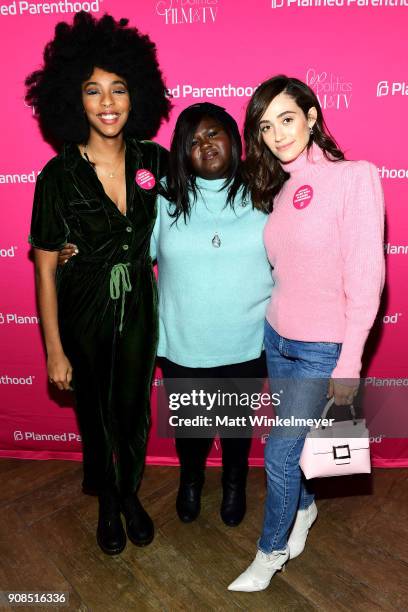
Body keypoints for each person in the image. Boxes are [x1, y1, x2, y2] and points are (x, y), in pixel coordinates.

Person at [60, 102, 273, 527]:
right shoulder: (163, 204)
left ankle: (234, 483)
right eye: (193, 140)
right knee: (192, 431)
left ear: (235, 138)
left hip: (248, 341)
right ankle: (190, 481)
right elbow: (128, 253)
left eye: (213, 133)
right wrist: (78, 253)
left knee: (235, 427)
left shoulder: (265, 198)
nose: (205, 145)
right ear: (181, 153)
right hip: (183, 343)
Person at [228, 75, 385, 592]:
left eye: (287, 119)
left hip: (323, 348)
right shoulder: (278, 189)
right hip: (277, 336)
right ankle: (305, 509)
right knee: (292, 449)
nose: (276, 134)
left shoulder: (354, 177)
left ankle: (269, 555)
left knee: (278, 452)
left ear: (312, 116)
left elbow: (366, 279)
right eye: (265, 126)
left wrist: (350, 362)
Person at [26, 11, 170, 556]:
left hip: (139, 298)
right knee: (95, 412)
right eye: (93, 90)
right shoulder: (57, 175)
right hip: (83, 301)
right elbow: (44, 266)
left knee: (134, 409)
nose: (107, 102)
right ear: (74, 100)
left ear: (137, 97)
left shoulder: (152, 161)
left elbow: (204, 198)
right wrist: (54, 351)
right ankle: (108, 502)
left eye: (118, 88)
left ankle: (130, 492)